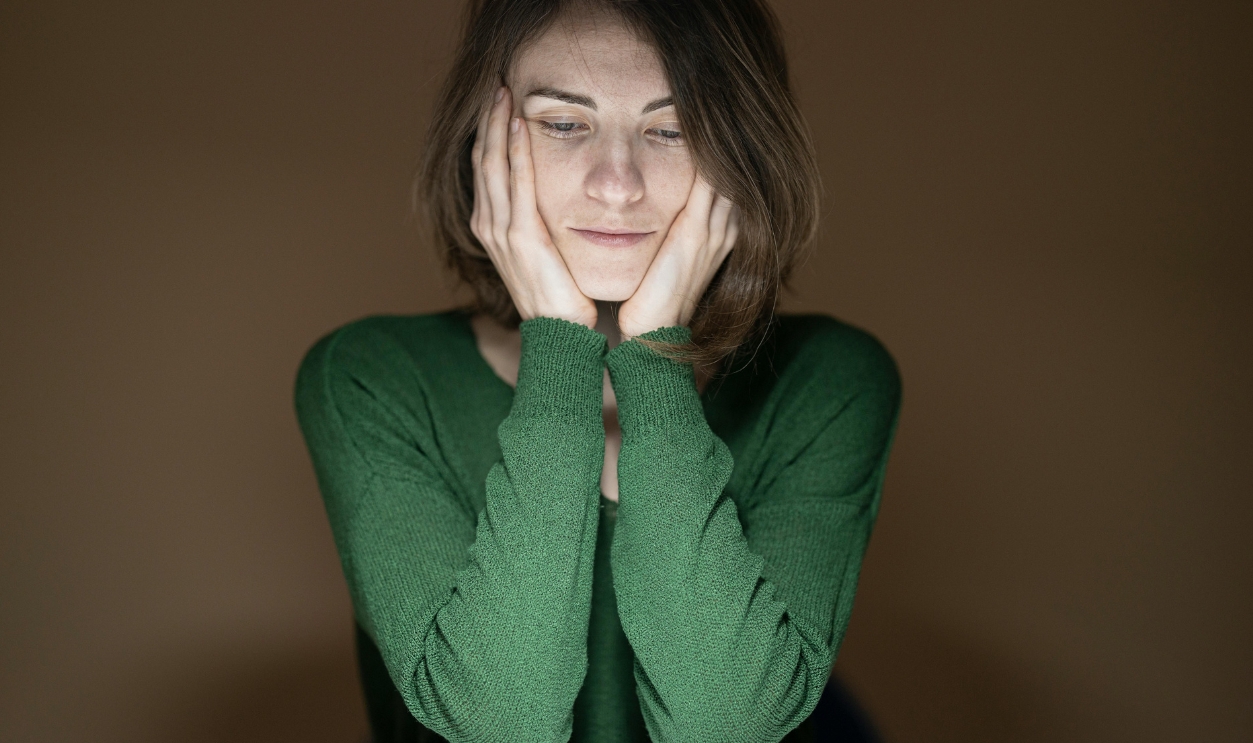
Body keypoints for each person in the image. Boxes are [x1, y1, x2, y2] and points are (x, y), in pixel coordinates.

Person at [295, 0, 901, 741]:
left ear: (740, 156)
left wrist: (653, 355)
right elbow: (499, 722)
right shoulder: (371, 377)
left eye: (672, 129)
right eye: (562, 123)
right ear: (481, 140)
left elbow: (724, 723)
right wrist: (558, 341)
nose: (617, 184)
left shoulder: (827, 380)